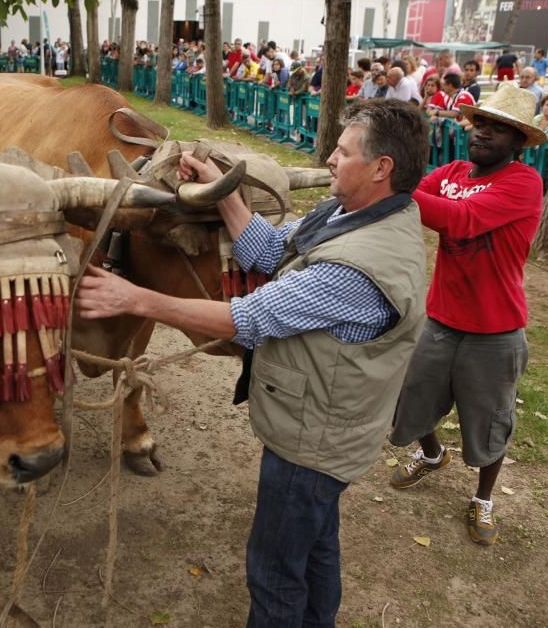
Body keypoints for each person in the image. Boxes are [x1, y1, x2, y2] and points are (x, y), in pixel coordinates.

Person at [77, 100, 430, 626]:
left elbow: (249, 317)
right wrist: (223, 191)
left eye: (342, 151)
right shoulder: (355, 215)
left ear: (382, 169)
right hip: (328, 430)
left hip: (313, 444)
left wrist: (135, 298)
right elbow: (272, 252)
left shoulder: (356, 268)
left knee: (273, 572)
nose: (329, 159)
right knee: (316, 547)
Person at [389, 84, 546, 546]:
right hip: (440, 318)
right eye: (480, 124)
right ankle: (433, 455)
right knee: (411, 397)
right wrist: (394, 187)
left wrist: (391, 190)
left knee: (489, 420)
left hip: (495, 332)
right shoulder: (454, 171)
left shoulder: (523, 183)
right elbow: (418, 193)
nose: (483, 135)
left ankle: (483, 498)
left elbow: (457, 219)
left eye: (498, 130)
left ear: (518, 142)